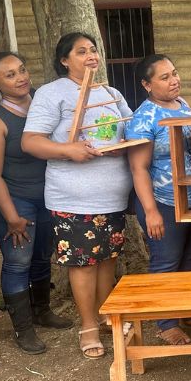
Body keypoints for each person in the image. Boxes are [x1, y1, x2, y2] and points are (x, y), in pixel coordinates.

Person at [21, 32, 133, 360]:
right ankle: (88, 326)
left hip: (112, 196)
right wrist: (68, 150)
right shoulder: (52, 93)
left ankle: (104, 315)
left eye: (94, 50)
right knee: (83, 263)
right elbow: (30, 142)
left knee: (107, 262)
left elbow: (129, 131)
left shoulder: (110, 93)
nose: (90, 56)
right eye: (81, 51)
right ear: (64, 60)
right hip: (73, 198)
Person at [0, 51, 72, 355]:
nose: (21, 78)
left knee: (42, 256)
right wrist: (12, 217)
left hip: (47, 196)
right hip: (12, 200)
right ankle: (23, 327)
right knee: (18, 262)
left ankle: (42, 311)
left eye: (22, 69)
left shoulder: (40, 102)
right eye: (10, 75)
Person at [125, 54, 191, 345]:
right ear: (147, 84)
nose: (174, 80)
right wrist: (150, 211)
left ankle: (187, 311)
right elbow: (138, 168)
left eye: (174, 73)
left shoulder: (183, 106)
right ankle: (166, 323)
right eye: (164, 77)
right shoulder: (143, 118)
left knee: (190, 258)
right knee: (166, 262)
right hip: (163, 201)